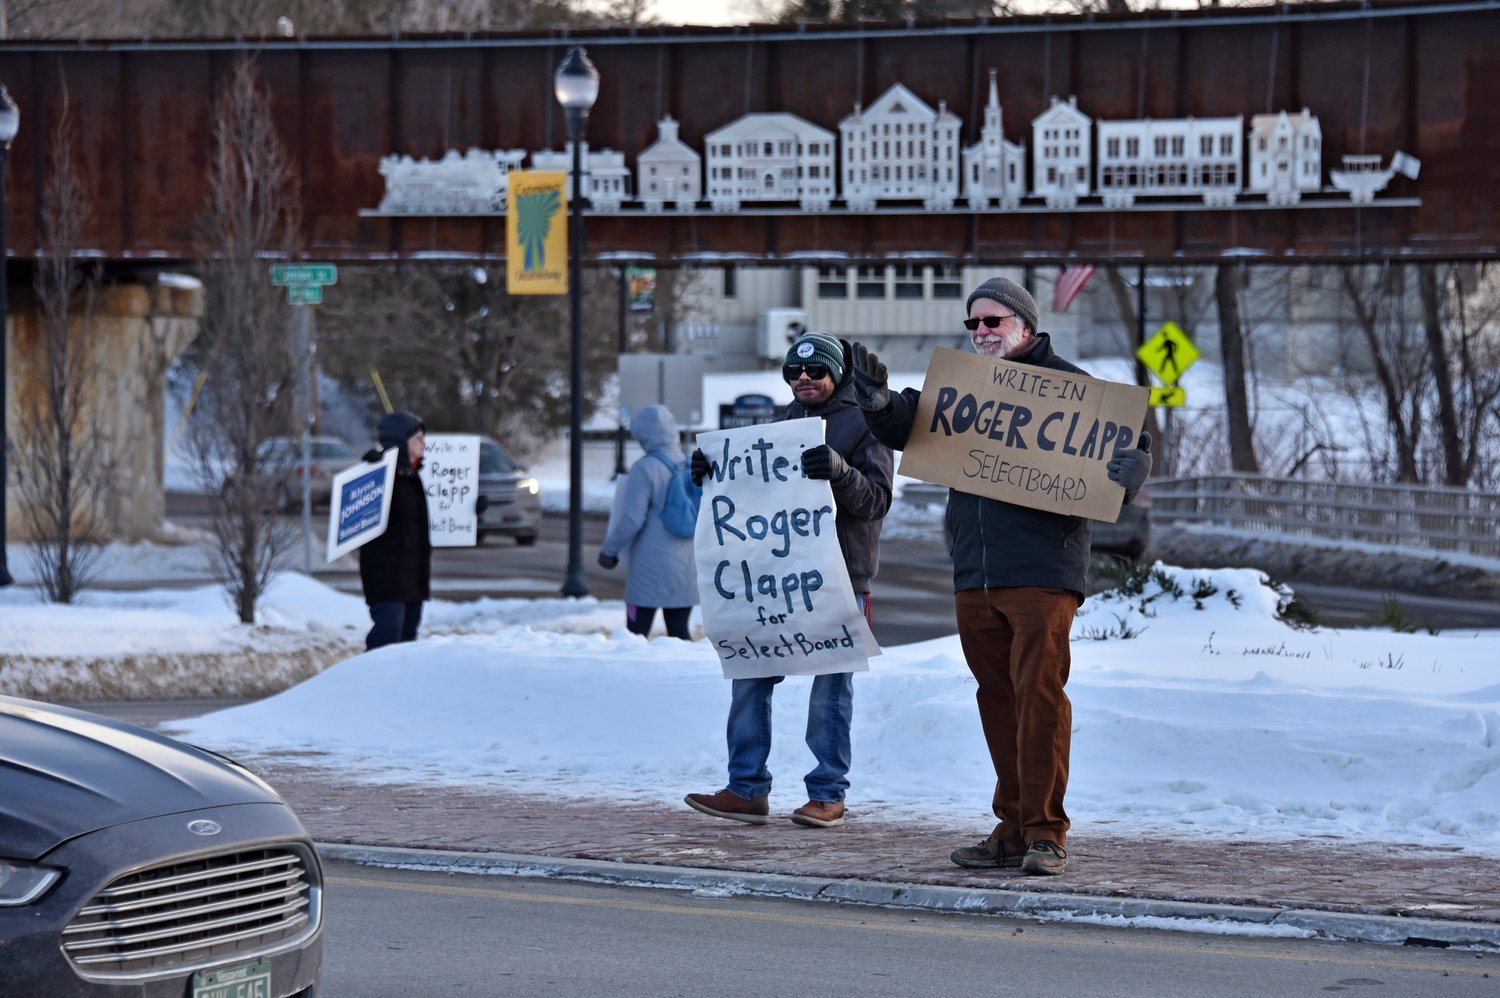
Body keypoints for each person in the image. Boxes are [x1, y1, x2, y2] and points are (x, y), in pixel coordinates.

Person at [848, 277, 1152, 875]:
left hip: (1041, 571)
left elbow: (1123, 451)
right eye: (974, 324)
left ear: (1026, 325)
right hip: (975, 574)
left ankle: (1045, 832)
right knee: (998, 701)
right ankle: (1011, 828)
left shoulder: (1075, 389)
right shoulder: (965, 388)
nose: (982, 332)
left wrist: (1135, 468)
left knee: (1038, 699)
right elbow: (908, 419)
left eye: (992, 321)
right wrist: (880, 404)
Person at [684, 331, 894, 829]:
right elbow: (753, 499)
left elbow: (877, 501)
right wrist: (713, 475)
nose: (803, 378)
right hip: (777, 577)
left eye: (816, 370)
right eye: (793, 372)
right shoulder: (782, 423)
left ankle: (827, 793)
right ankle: (746, 788)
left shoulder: (866, 424)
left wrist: (841, 472)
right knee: (750, 677)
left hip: (840, 576)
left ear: (836, 374)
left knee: (830, 690)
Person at [597, 404, 698, 641]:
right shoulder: (691, 464)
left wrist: (609, 551)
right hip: (685, 566)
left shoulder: (644, 468)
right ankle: (682, 677)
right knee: (679, 636)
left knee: (635, 636)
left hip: (649, 569)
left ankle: (635, 678)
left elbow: (632, 520)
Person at [358, 411, 432, 652]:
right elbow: (354, 509)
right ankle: (371, 684)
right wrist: (368, 470)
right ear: (401, 442)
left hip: (414, 574)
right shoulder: (380, 475)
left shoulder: (414, 477)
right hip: (386, 576)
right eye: (417, 438)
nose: (424, 444)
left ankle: (402, 688)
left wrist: (472, 508)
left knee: (408, 636)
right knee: (388, 633)